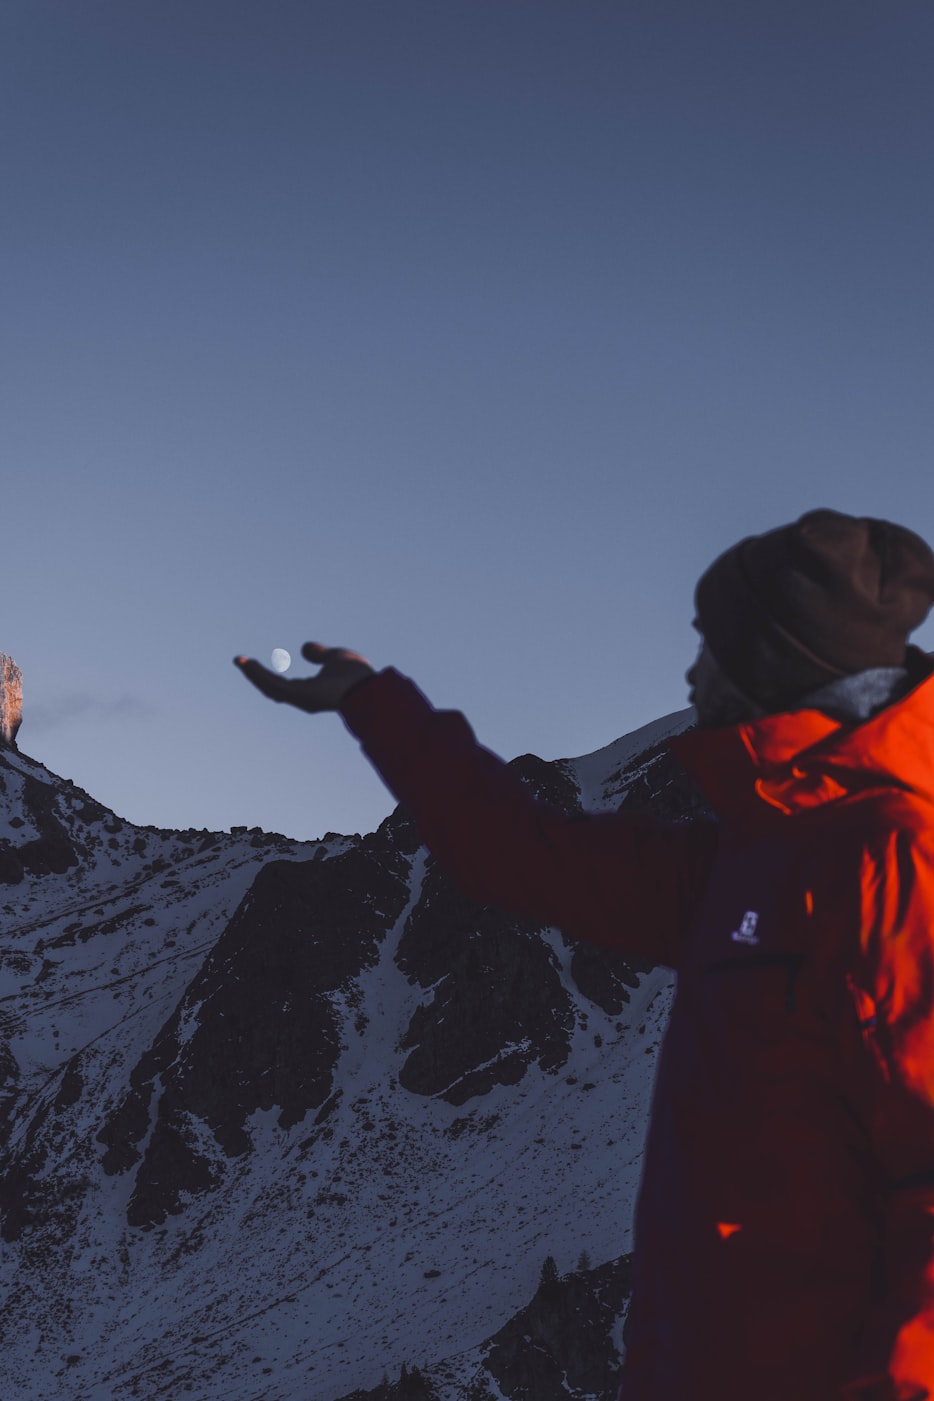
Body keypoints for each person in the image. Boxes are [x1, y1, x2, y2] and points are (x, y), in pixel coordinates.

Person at [235, 508, 934, 1401]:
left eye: (709, 645)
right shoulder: (750, 860)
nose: (690, 670)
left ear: (774, 662)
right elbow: (520, 852)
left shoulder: (893, 863)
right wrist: (372, 702)